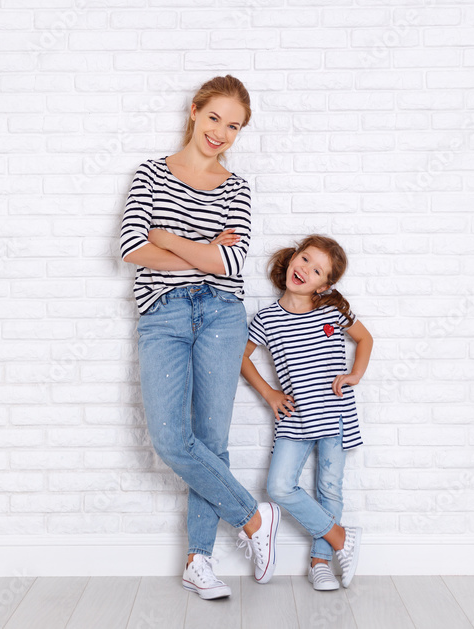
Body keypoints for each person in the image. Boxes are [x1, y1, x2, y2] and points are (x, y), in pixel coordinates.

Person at [119, 75, 280, 600]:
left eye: (233, 126)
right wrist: (201, 248)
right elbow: (130, 249)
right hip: (161, 314)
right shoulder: (149, 174)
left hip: (222, 316)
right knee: (170, 440)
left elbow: (230, 262)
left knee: (211, 443)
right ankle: (253, 518)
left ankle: (199, 560)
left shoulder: (237, 188)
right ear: (194, 112)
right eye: (215, 118)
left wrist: (167, 237)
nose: (221, 133)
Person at [240, 235, 374, 591]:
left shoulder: (332, 311)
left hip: (335, 413)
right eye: (304, 259)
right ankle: (341, 537)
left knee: (329, 487)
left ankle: (321, 561)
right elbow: (240, 356)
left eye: (317, 270)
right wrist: (269, 393)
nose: (305, 270)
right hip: (294, 418)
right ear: (292, 258)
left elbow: (366, 339)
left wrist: (356, 374)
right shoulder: (266, 319)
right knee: (279, 487)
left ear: (325, 284)